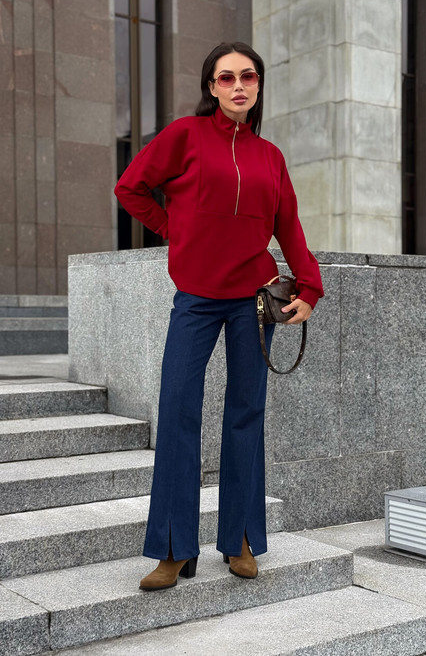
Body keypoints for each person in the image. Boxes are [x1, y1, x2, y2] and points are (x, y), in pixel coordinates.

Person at [114, 41, 324, 591]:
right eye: (226, 77)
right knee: (178, 410)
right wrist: (174, 229)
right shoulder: (185, 135)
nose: (238, 86)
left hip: (253, 299)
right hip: (196, 298)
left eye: (247, 76)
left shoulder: (270, 156)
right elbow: (130, 188)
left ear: (258, 86)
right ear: (211, 87)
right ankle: (172, 548)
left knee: (246, 414)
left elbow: (289, 226)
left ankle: (242, 539)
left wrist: (311, 286)